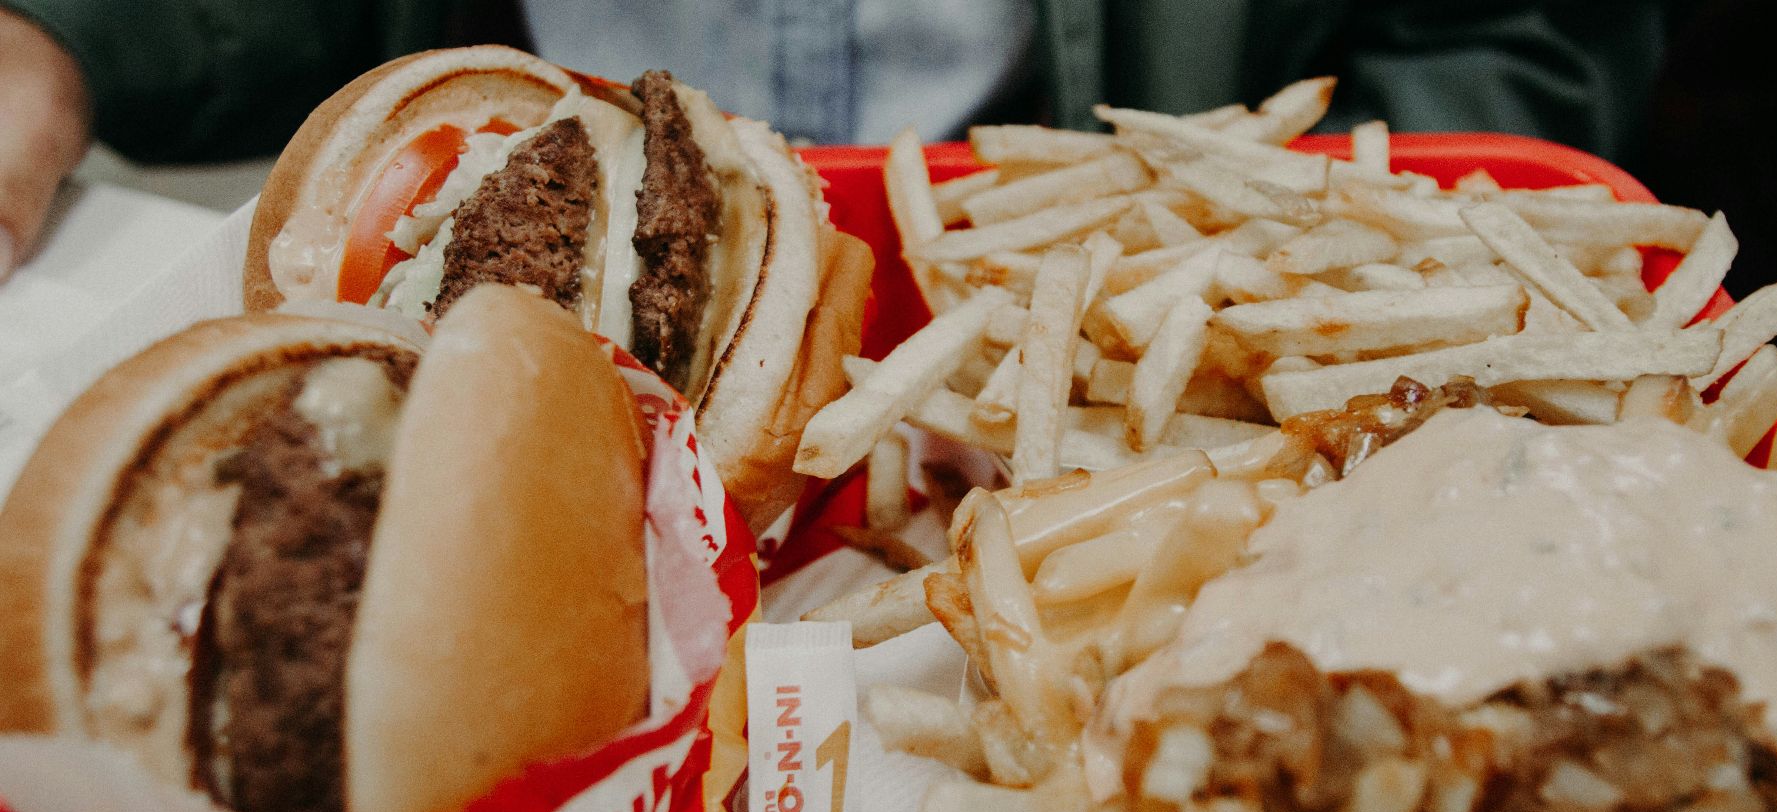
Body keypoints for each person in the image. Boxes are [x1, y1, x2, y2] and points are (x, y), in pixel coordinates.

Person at [0, 0, 1673, 282]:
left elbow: (1513, 46)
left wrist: (1284, 252)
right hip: (524, 254)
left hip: (1087, 278)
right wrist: (59, 34)